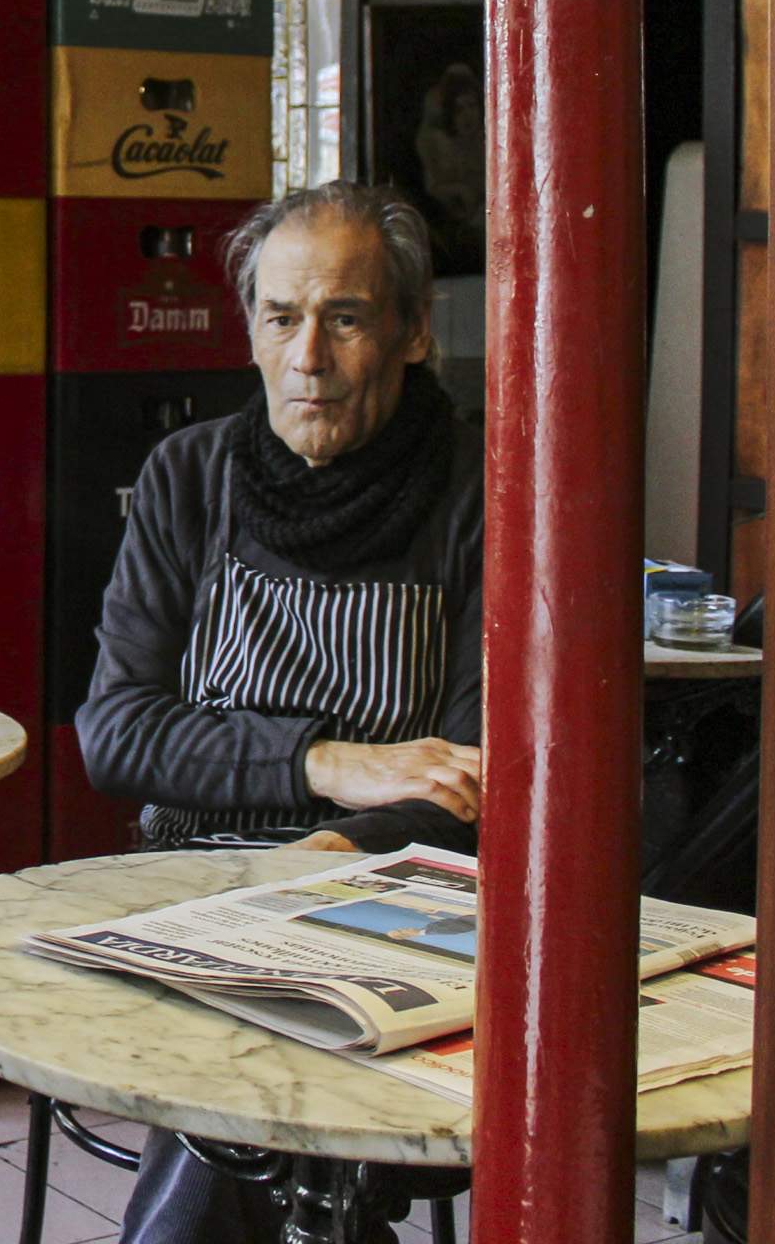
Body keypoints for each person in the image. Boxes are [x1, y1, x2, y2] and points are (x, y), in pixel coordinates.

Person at [74, 181, 484, 1244]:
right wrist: (329, 763)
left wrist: (334, 848)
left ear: (409, 331)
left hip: (394, 893)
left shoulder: (482, 489)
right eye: (281, 317)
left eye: (345, 317)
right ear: (249, 329)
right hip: (192, 889)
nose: (309, 357)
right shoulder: (189, 476)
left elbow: (478, 774)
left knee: (269, 1070)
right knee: (261, 1081)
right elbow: (115, 732)